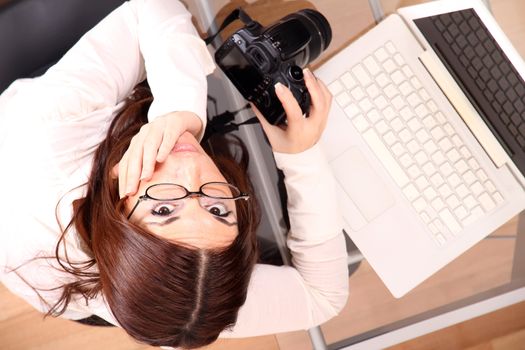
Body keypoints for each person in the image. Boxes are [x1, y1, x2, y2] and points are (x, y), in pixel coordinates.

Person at [0, 0, 349, 348]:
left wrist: (179, 110)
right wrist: (300, 155)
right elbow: (323, 296)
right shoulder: (189, 297)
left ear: (118, 220)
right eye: (218, 210)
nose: (192, 171)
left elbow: (150, 8)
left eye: (164, 210)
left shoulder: (46, 132)